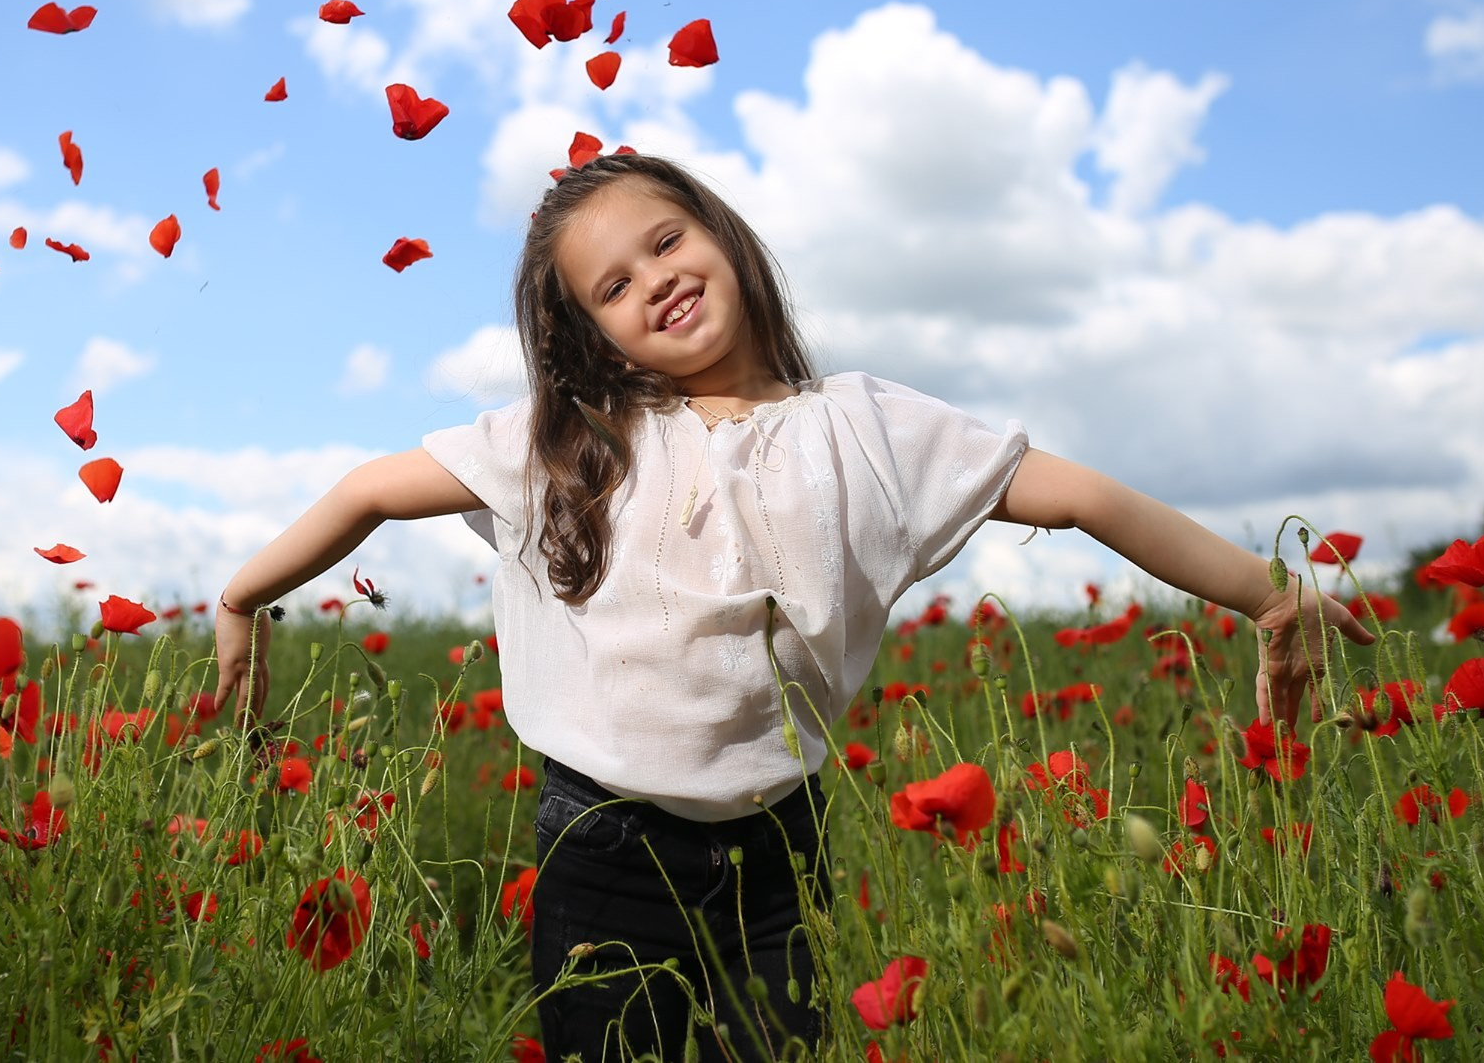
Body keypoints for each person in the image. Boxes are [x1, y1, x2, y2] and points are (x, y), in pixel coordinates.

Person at [213, 151, 1375, 1062]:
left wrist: (1271, 597)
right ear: (590, 334)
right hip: (602, 852)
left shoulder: (868, 429)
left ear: (723, 235)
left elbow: (1081, 498)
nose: (653, 279)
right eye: (613, 285)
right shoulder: (570, 442)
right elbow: (367, 490)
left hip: (781, 854)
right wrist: (238, 603)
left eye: (666, 240)